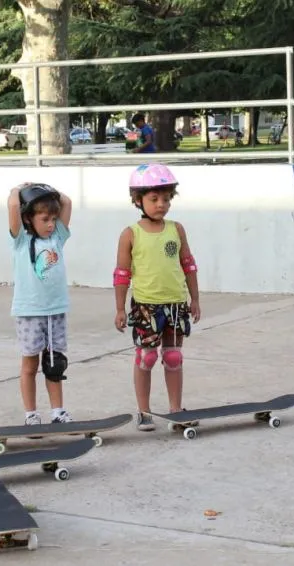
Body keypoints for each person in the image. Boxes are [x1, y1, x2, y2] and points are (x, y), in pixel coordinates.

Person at [112, 163, 201, 431]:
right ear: (138, 200)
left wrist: (194, 299)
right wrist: (119, 308)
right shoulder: (130, 234)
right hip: (146, 306)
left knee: (173, 357)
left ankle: (175, 410)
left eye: (166, 199)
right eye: (153, 199)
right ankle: (144, 411)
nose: (161, 204)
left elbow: (188, 264)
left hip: (175, 304)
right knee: (146, 357)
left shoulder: (177, 229)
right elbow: (122, 274)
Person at [7, 182, 74, 425]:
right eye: (45, 218)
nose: (50, 224)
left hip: (55, 310)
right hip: (30, 311)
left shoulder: (57, 237)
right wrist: (17, 190)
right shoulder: (21, 242)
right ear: (28, 219)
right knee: (30, 364)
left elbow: (66, 201)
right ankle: (31, 414)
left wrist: (47, 190)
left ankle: (58, 411)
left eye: (53, 219)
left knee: (54, 364)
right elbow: (14, 206)